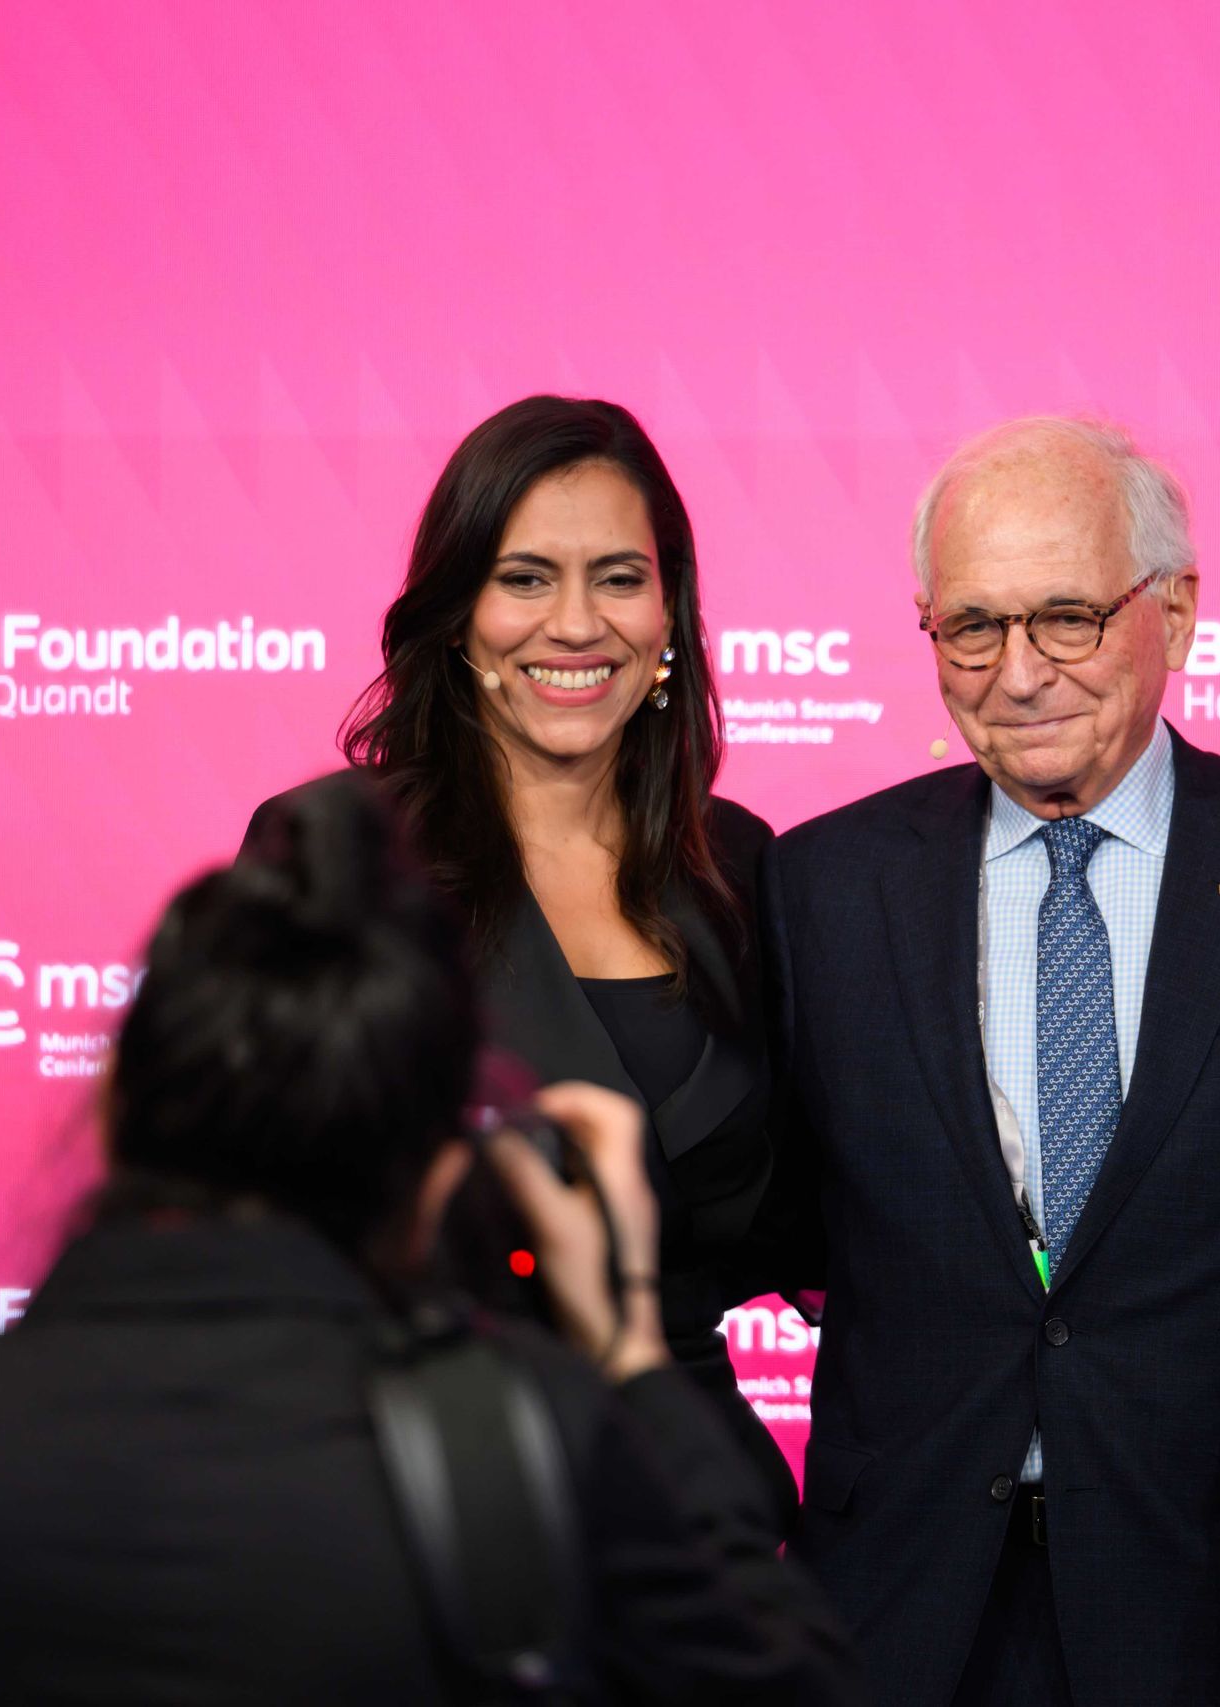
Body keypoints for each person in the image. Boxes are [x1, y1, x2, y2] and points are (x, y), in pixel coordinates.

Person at [0, 773, 860, 1705]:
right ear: (439, 1171)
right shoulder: (521, 1458)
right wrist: (627, 1354)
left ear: (114, 1105)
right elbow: (777, 1675)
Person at [765, 417, 1220, 1706]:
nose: (1017, 673)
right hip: (895, 1621)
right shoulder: (819, 888)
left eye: (1067, 619)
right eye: (971, 627)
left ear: (1176, 612)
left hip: (1215, 1613)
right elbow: (779, 1228)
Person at [249, 396, 796, 1530]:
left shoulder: (740, 865)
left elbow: (821, 1208)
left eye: (617, 577)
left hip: (691, 1504)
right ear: (458, 613)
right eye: (526, 578)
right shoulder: (335, 854)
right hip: (426, 1488)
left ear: (669, 612)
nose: (576, 624)